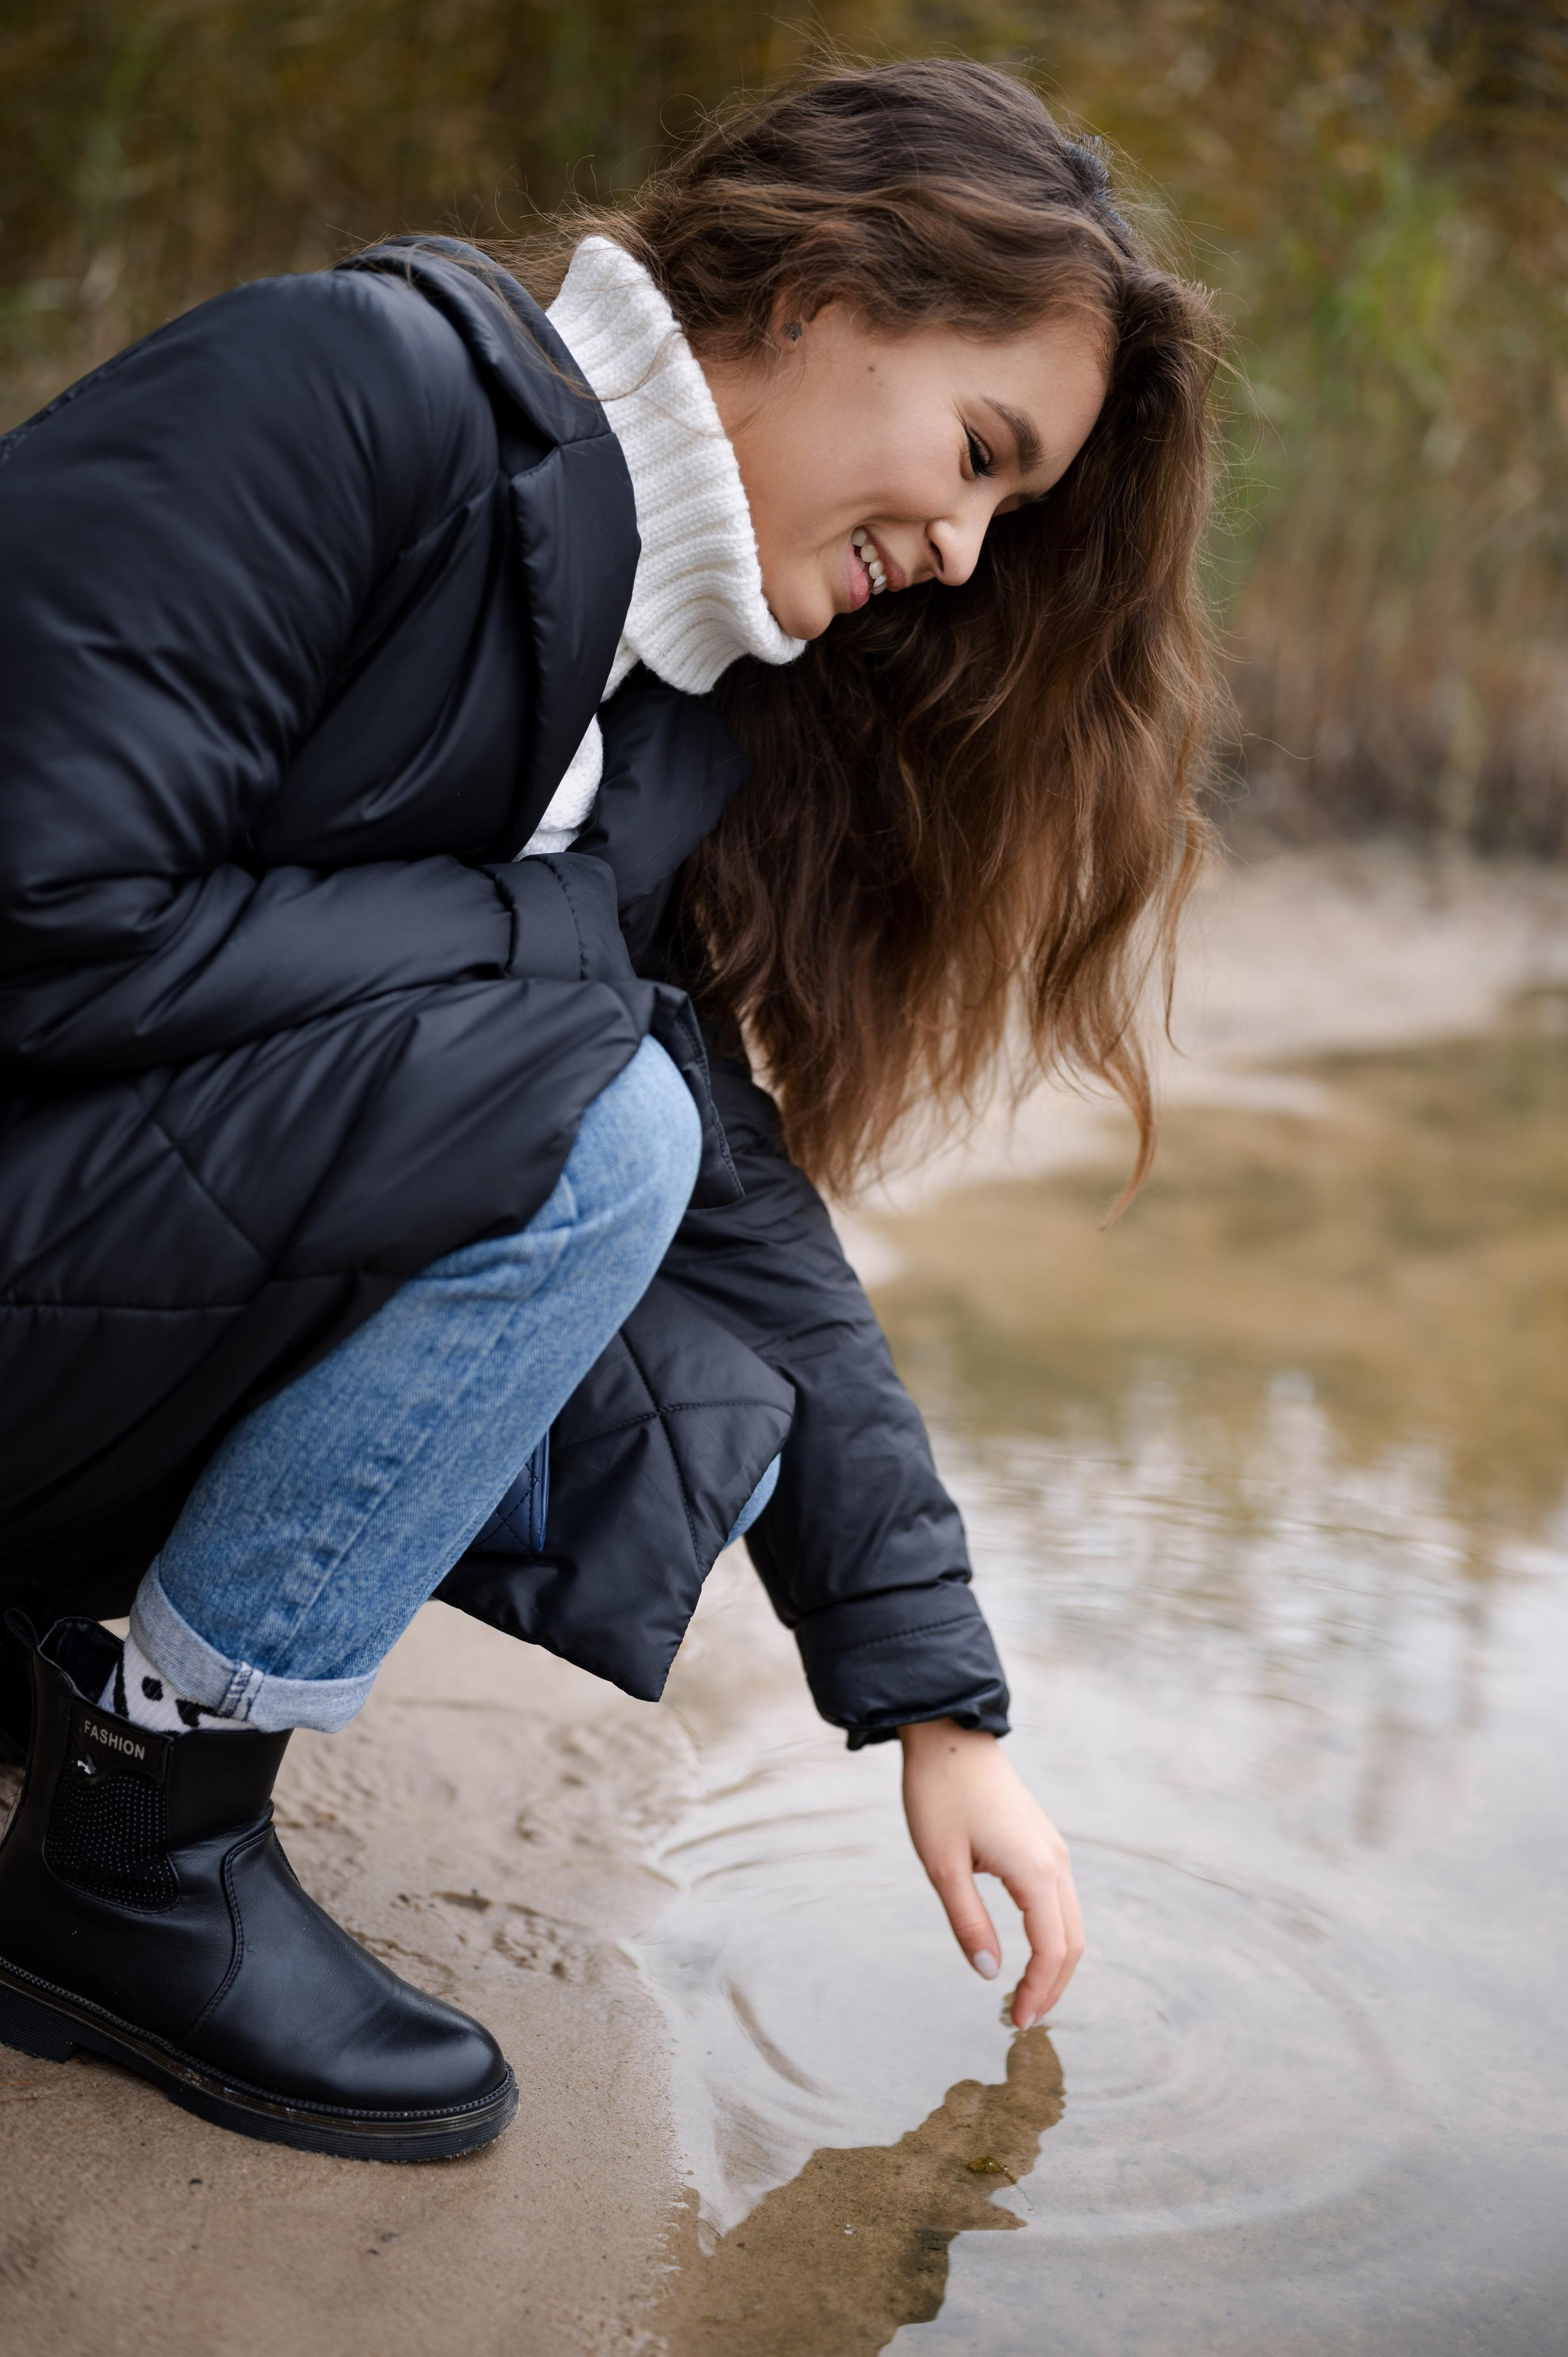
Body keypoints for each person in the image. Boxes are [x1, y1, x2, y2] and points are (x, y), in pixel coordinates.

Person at [0, 59, 1218, 2159]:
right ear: (833, 291)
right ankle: (148, 1841)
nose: (959, 545)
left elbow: (742, 1198)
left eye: (1011, 515)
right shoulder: (350, 391)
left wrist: (938, 1703)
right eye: (981, 453)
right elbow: (43, 919)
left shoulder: (645, 716)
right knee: (594, 1126)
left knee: (650, 1138)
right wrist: (545, 941)